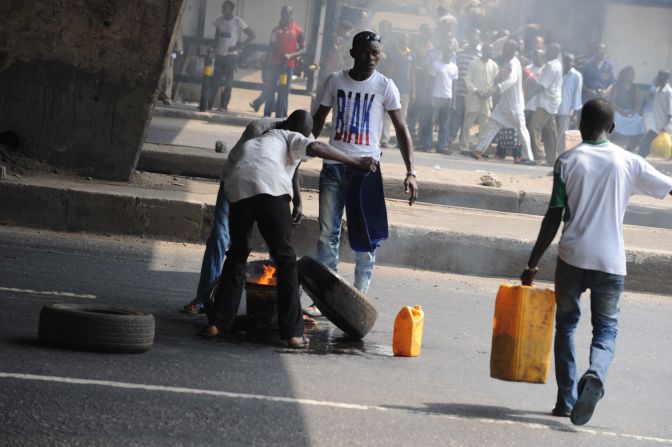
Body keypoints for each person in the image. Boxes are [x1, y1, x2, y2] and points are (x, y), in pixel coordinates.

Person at [520, 97, 672, 426]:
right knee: (605, 329)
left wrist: (532, 263)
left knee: (566, 327)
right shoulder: (629, 162)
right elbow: (668, 187)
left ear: (579, 125)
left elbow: (554, 216)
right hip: (611, 262)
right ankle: (595, 374)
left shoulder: (567, 161)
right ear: (612, 128)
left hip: (572, 256)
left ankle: (565, 399)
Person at [199, 110, 378, 348]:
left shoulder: (259, 140)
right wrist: (357, 161)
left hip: (238, 189)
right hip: (270, 189)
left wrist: (297, 198)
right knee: (285, 259)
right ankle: (292, 333)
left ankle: (217, 324)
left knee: (237, 253)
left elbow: (265, 167)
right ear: (298, 132)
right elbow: (316, 149)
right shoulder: (290, 136)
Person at [311, 30, 418, 302]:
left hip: (366, 172)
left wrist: (411, 172)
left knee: (365, 238)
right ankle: (327, 295)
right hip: (334, 167)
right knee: (327, 235)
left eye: (376, 52)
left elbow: (402, 130)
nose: (371, 57)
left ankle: (358, 298)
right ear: (353, 53)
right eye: (366, 51)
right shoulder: (335, 81)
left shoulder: (385, 86)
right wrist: (300, 149)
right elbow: (318, 119)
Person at [181, 114, 306, 314]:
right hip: (236, 179)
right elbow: (247, 166)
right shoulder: (258, 129)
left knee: (280, 245)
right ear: (285, 128)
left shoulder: (298, 135)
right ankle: (204, 298)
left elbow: (294, 169)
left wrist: (298, 201)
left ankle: (280, 306)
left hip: (270, 185)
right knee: (221, 236)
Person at [471, 40, 534, 163]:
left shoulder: (514, 63)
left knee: (522, 130)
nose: (505, 50)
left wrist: (496, 89)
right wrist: (496, 80)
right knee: (492, 124)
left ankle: (529, 157)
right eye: (505, 48)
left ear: (514, 51)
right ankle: (479, 150)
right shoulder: (507, 63)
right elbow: (502, 76)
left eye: (508, 48)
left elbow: (512, 79)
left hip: (515, 104)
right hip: (505, 104)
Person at [262, 6, 306, 118]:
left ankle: (282, 116)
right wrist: (266, 64)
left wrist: (291, 55)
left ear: (292, 15)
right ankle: (267, 114)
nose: (286, 15)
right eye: (284, 13)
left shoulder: (298, 31)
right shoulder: (275, 30)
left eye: (288, 13)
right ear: (281, 15)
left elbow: (304, 49)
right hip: (274, 65)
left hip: (288, 66)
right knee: (270, 89)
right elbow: (271, 48)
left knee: (285, 92)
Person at [212, 1, 255, 112]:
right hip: (219, 55)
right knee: (215, 81)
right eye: (223, 8)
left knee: (228, 82)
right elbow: (216, 36)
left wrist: (239, 46)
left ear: (231, 10)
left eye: (226, 8)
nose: (224, 10)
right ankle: (209, 103)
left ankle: (223, 106)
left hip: (231, 57)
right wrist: (214, 49)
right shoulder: (219, 21)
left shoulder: (237, 21)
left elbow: (252, 35)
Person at [528, 43, 563, 165]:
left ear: (554, 52)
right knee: (551, 132)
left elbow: (542, 86)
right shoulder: (557, 65)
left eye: (549, 50)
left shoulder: (551, 67)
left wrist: (528, 96)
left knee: (533, 127)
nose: (547, 52)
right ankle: (552, 159)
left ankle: (538, 155)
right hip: (552, 102)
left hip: (546, 103)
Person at [460, 43, 498, 152]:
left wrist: (489, 93)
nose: (491, 53)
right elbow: (467, 79)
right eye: (489, 50)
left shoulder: (494, 65)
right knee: (468, 123)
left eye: (492, 51)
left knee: (484, 125)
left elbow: (495, 82)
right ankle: (464, 146)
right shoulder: (474, 63)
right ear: (483, 51)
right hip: (474, 97)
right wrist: (476, 91)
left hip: (486, 99)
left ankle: (481, 149)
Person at [384, 34, 415, 148]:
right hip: (393, 87)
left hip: (405, 88)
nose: (405, 41)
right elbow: (389, 71)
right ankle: (384, 140)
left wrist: (413, 90)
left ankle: (400, 141)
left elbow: (412, 74)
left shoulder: (411, 54)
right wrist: (386, 86)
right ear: (399, 40)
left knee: (402, 116)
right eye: (403, 39)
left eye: (407, 39)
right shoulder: (393, 54)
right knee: (388, 113)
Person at [431, 41, 459, 153]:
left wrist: (454, 102)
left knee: (445, 124)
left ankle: (441, 146)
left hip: (448, 98)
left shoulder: (454, 67)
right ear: (442, 52)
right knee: (431, 121)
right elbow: (431, 82)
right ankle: (427, 144)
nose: (448, 53)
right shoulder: (436, 64)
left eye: (450, 51)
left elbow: (454, 86)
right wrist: (430, 98)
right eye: (446, 51)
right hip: (436, 96)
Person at [638, 70, 672, 157]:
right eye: (660, 76)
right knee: (646, 145)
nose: (661, 78)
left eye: (663, 77)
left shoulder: (668, 92)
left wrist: (665, 127)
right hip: (656, 124)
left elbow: (670, 112)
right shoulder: (657, 90)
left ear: (668, 79)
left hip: (663, 126)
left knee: (646, 145)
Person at [610, 66, 643, 152]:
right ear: (623, 75)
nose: (630, 76)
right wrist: (620, 111)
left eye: (632, 75)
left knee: (638, 122)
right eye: (628, 74)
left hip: (631, 112)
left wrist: (633, 112)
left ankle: (631, 148)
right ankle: (612, 142)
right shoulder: (617, 86)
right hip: (618, 111)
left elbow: (638, 103)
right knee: (615, 120)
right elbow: (612, 102)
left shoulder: (636, 87)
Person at [556, 53, 583, 155]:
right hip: (554, 108)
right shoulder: (559, 72)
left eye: (570, 61)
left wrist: (575, 113)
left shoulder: (577, 76)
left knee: (562, 135)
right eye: (566, 60)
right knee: (553, 134)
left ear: (574, 63)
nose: (568, 63)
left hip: (566, 110)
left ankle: (559, 155)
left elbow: (577, 94)